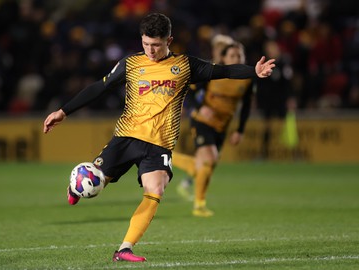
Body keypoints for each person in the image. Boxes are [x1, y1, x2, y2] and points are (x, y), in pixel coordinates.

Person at [43, 13, 275, 263]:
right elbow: (100, 87)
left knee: (156, 189)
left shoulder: (185, 66)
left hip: (160, 145)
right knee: (96, 182)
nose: (150, 50)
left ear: (169, 40)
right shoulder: (131, 64)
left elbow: (223, 71)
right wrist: (63, 111)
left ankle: (124, 249)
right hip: (126, 137)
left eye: (156, 45)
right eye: (145, 44)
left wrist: (254, 71)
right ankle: (75, 188)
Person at [173, 42, 255, 217]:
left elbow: (246, 106)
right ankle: (199, 205)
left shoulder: (247, 79)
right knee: (210, 158)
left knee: (205, 166)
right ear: (224, 58)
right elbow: (189, 92)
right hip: (202, 121)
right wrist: (197, 108)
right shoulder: (213, 73)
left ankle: (165, 156)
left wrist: (240, 130)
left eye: (239, 56)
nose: (236, 59)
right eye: (232, 56)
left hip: (222, 126)